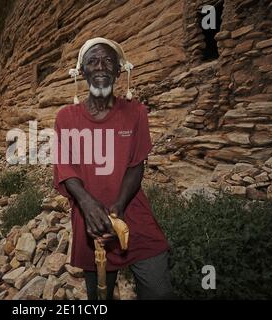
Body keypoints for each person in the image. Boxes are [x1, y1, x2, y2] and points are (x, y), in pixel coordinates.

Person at [53, 37, 174, 300]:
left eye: (108, 61)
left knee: (158, 289)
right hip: (90, 222)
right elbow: (65, 166)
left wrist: (118, 205)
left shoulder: (136, 112)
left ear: (118, 71)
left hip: (131, 210)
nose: (100, 67)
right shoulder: (66, 117)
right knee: (99, 298)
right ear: (82, 71)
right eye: (92, 61)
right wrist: (87, 204)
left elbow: (135, 164)